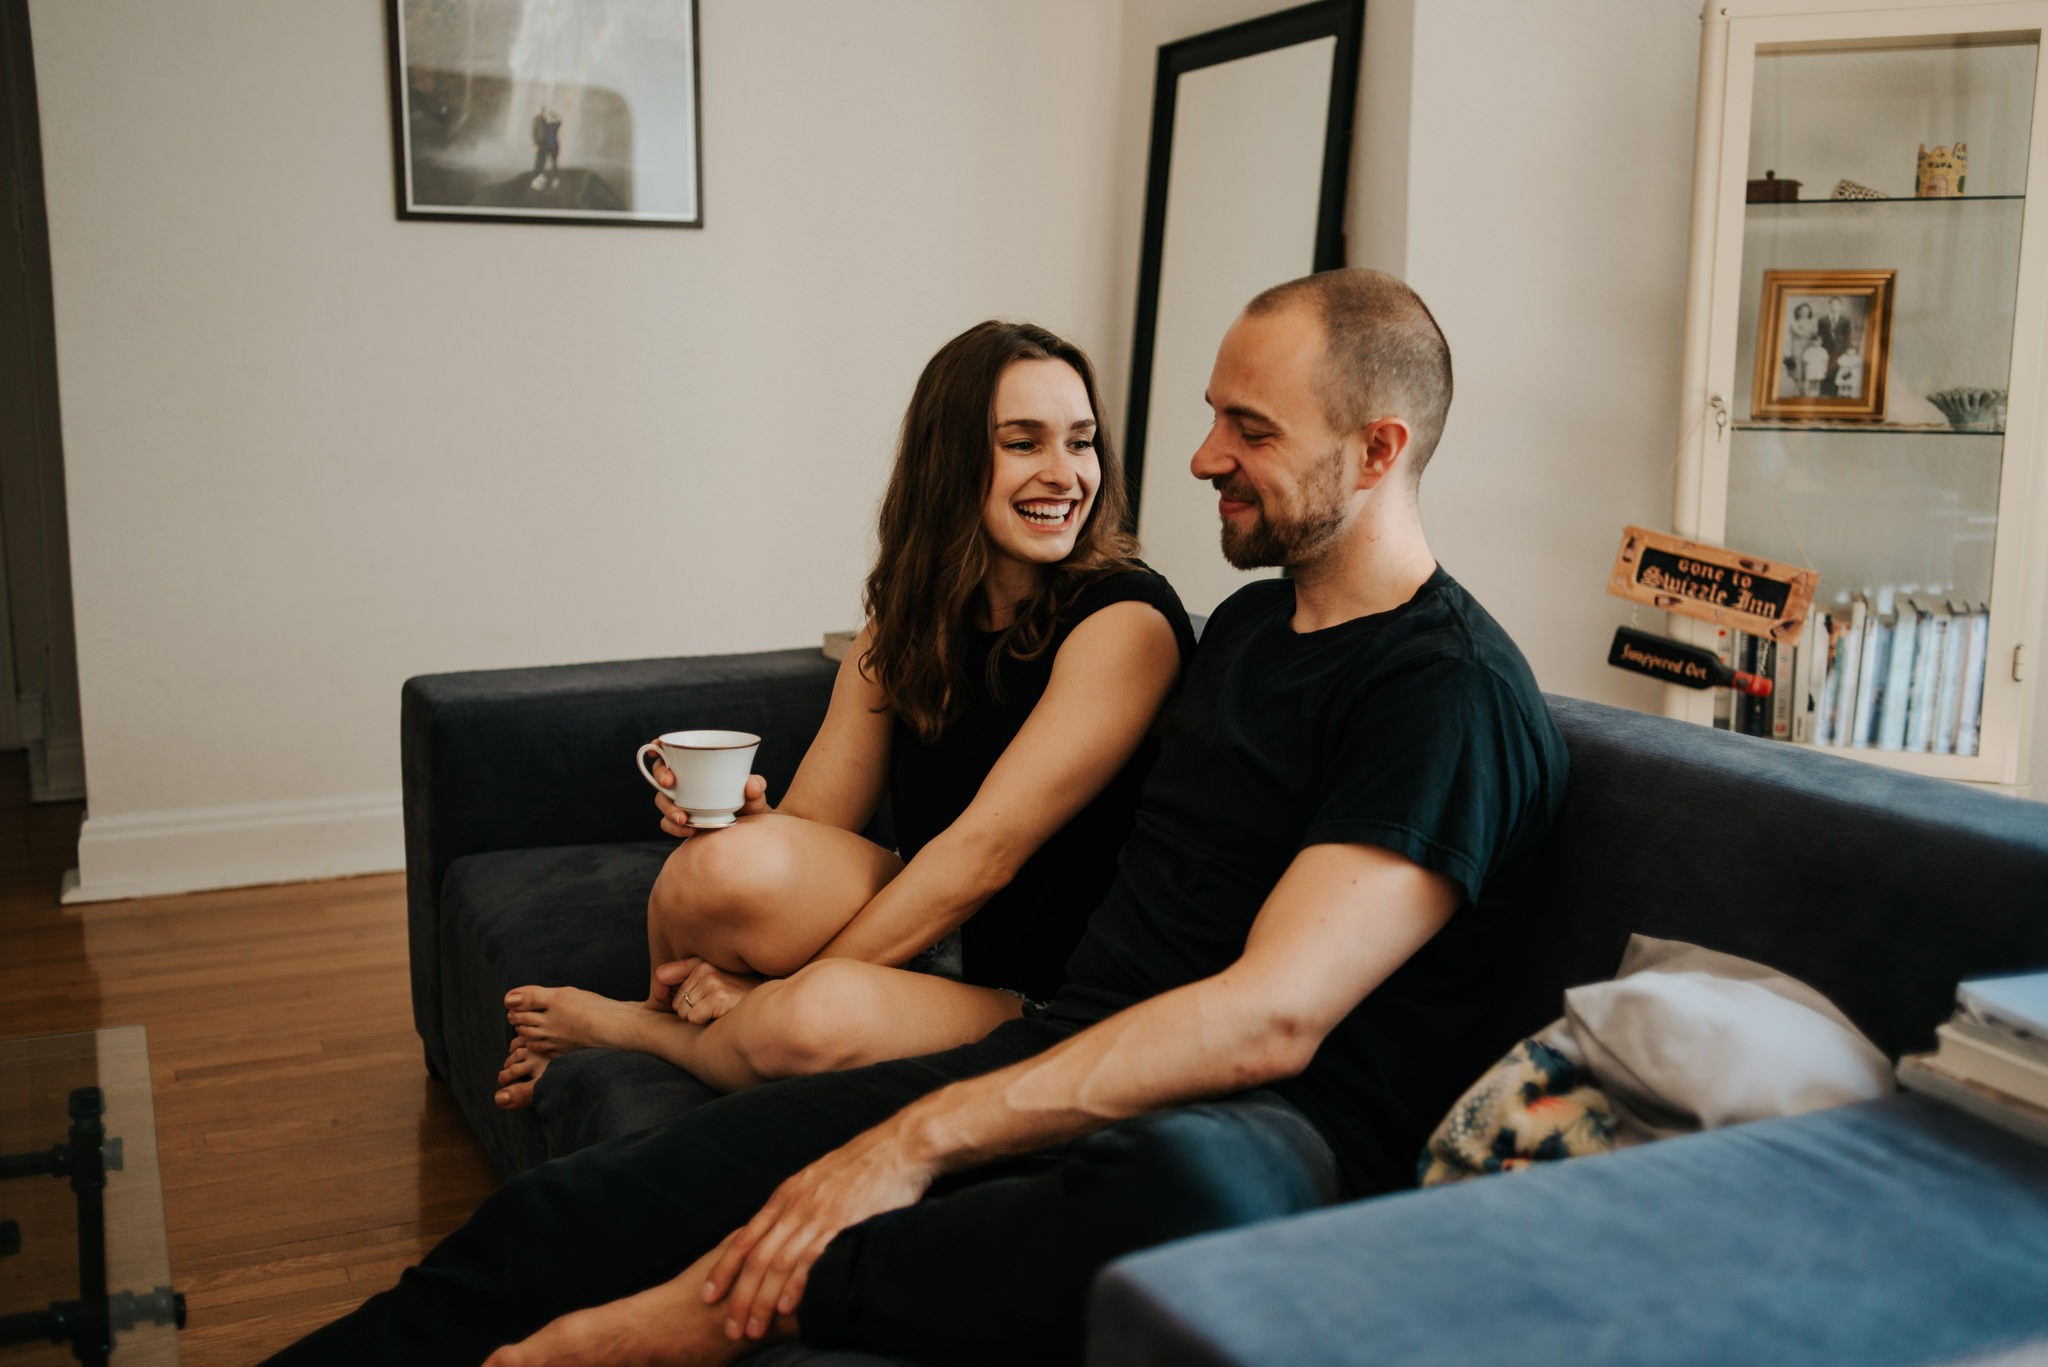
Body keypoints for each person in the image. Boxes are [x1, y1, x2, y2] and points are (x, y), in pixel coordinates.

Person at [265, 269, 1568, 1367]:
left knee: (1185, 1186)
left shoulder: (1443, 690)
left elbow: (1270, 1017)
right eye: (1207, 416)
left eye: (1250, 427)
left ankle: (716, 1309)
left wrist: (917, 1134)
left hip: (1270, 1121)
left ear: (1381, 447)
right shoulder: (1248, 626)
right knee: (578, 1209)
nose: (1202, 456)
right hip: (1067, 1040)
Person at [492, 319, 1194, 1106]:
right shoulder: (908, 620)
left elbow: (985, 852)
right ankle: (688, 1007)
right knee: (710, 869)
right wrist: (747, 822)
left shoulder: (1127, 619)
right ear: (950, 459)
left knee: (809, 1019)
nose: (1065, 474)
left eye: (1082, 441)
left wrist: (780, 989)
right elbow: (817, 825)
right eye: (1024, 444)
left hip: (1045, 980)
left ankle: (638, 1028)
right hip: (924, 914)